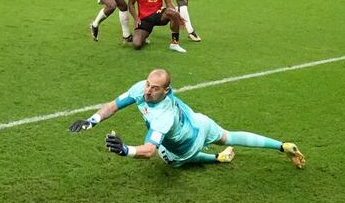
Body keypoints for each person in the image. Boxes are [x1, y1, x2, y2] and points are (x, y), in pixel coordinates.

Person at [68, 68, 306, 169]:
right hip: (200, 121)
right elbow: (113, 105)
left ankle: (217, 159)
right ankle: (282, 145)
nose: (148, 91)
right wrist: (93, 120)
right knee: (228, 135)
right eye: (148, 85)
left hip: (188, 143)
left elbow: (149, 150)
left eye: (155, 88)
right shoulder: (140, 88)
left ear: (167, 91)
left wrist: (125, 150)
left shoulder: (163, 116)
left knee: (170, 160)